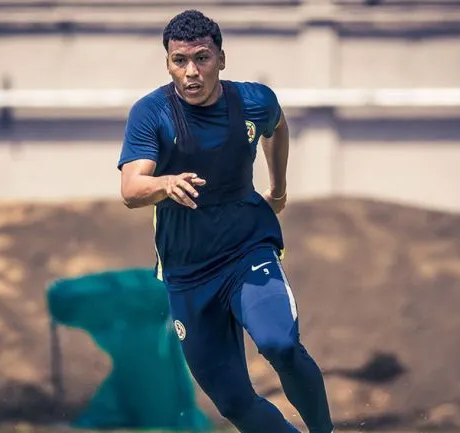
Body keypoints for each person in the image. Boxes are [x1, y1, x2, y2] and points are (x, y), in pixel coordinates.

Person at [117, 9, 334, 433]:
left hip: (246, 250)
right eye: (180, 60)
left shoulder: (254, 101)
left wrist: (279, 189)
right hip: (187, 273)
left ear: (221, 59)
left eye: (202, 58)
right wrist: (164, 183)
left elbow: (277, 125)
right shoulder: (151, 113)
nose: (191, 72)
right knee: (233, 401)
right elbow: (130, 188)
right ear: (168, 64)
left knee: (279, 344)